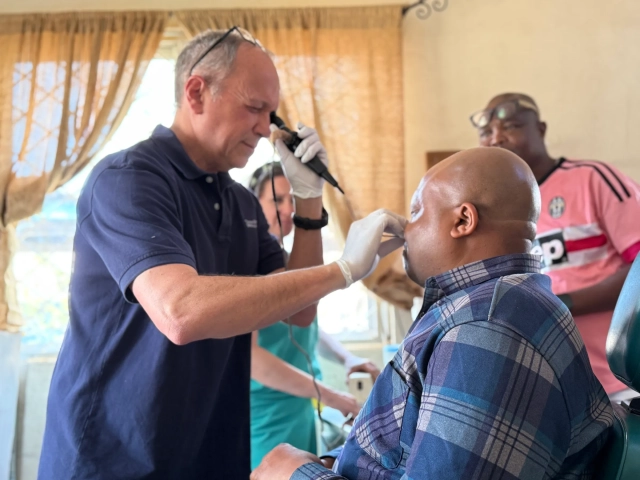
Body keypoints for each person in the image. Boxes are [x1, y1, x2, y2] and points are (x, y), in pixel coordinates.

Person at [38, 27, 405, 480]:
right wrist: (343, 269)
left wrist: (309, 204)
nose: (266, 129)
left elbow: (300, 314)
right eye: (254, 107)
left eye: (271, 113)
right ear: (196, 92)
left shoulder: (241, 202)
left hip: (208, 448)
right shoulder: (128, 179)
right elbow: (181, 313)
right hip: (114, 456)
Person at [251, 147, 613, 480]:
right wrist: (333, 462)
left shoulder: (487, 327)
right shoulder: (489, 305)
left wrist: (298, 475)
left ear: (463, 220)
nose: (405, 228)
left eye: (416, 212)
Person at [470, 93, 640, 401]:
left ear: (541, 130)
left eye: (511, 126)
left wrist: (561, 303)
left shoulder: (592, 179)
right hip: (552, 393)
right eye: (486, 132)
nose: (496, 138)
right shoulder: (489, 213)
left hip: (621, 383)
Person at [248, 162, 381, 469]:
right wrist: (332, 396)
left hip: (301, 409)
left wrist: (347, 358)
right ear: (253, 204)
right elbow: (252, 359)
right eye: (276, 199)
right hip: (267, 414)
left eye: (294, 200)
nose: (287, 209)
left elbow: (303, 328)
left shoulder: (287, 261)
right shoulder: (247, 262)